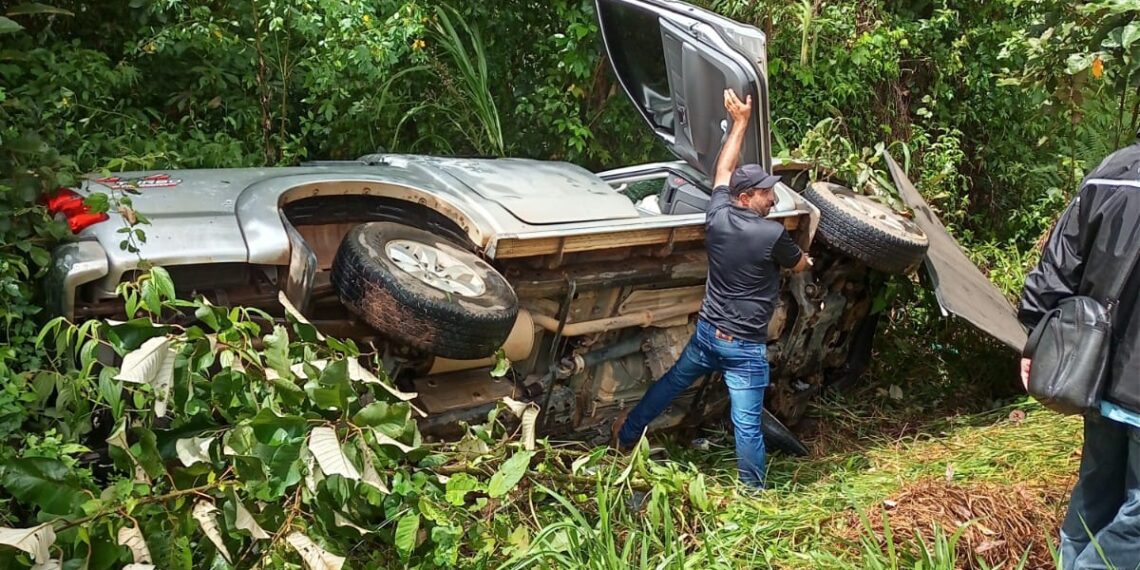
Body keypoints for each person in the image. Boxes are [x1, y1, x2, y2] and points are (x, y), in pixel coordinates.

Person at [613, 89, 811, 489]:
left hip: (708, 336)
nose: (772, 198)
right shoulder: (772, 235)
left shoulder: (717, 215)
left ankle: (627, 434)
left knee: (670, 385)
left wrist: (739, 123)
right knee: (747, 425)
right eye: (765, 193)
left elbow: (722, 171)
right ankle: (752, 494)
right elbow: (800, 264)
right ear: (746, 197)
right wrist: (808, 260)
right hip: (743, 350)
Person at [1018, 141, 1140, 570]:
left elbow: (1057, 263)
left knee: (1096, 494)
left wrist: (1035, 338)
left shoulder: (1114, 168)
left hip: (1095, 371)